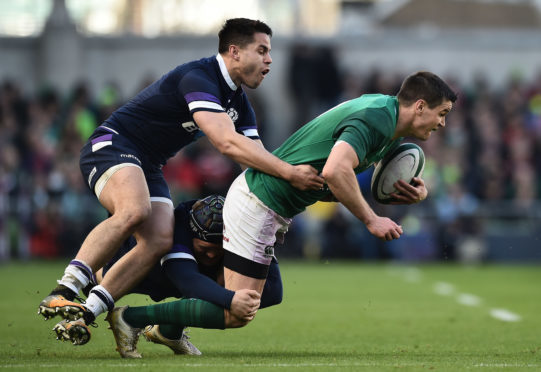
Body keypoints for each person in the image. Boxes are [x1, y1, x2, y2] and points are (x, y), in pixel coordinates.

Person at [37, 18, 323, 332]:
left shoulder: (239, 104)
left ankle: (86, 314)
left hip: (149, 164)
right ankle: (64, 289)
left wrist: (276, 214)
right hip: (112, 144)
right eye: (262, 50)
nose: (270, 59)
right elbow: (226, 142)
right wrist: (291, 172)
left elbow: (257, 167)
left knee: (159, 240)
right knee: (134, 210)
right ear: (235, 52)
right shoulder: (199, 77)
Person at [220, 71, 457, 306]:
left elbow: (340, 178)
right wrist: (371, 219)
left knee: (269, 293)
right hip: (258, 200)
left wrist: (417, 192)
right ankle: (182, 307)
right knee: (240, 308)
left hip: (266, 203)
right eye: (442, 114)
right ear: (420, 106)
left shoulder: (388, 118)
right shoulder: (378, 120)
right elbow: (335, 171)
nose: (442, 123)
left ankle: (194, 277)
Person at [52, 195, 283, 357]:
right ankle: (110, 313)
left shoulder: (239, 230)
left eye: (218, 250)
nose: (212, 254)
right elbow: (187, 280)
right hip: (134, 269)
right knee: (104, 277)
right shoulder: (178, 227)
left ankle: (167, 332)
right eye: (204, 249)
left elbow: (274, 290)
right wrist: (231, 298)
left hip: (185, 278)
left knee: (229, 292)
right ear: (193, 234)